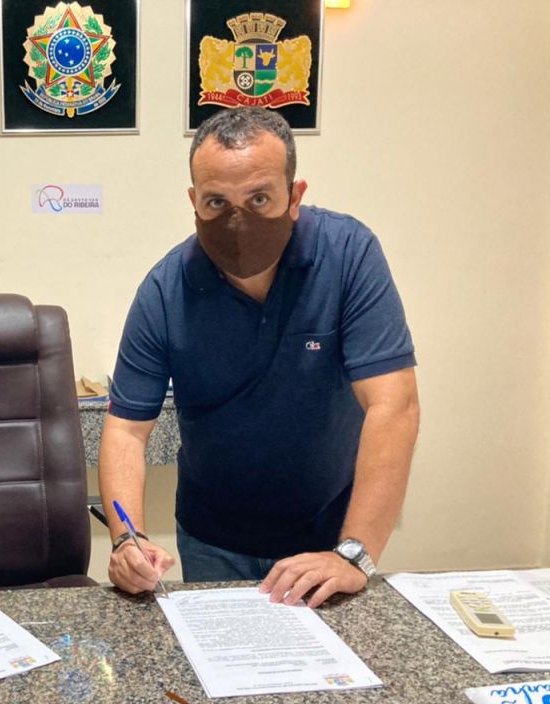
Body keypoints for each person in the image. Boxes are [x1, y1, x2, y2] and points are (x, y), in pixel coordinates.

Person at [100, 107, 420, 608]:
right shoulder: (165, 290)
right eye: (216, 201)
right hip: (211, 539)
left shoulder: (348, 255)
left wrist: (355, 553)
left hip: (329, 538)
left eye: (259, 198)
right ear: (194, 202)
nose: (238, 220)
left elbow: (393, 405)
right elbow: (125, 430)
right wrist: (127, 538)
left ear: (295, 196)